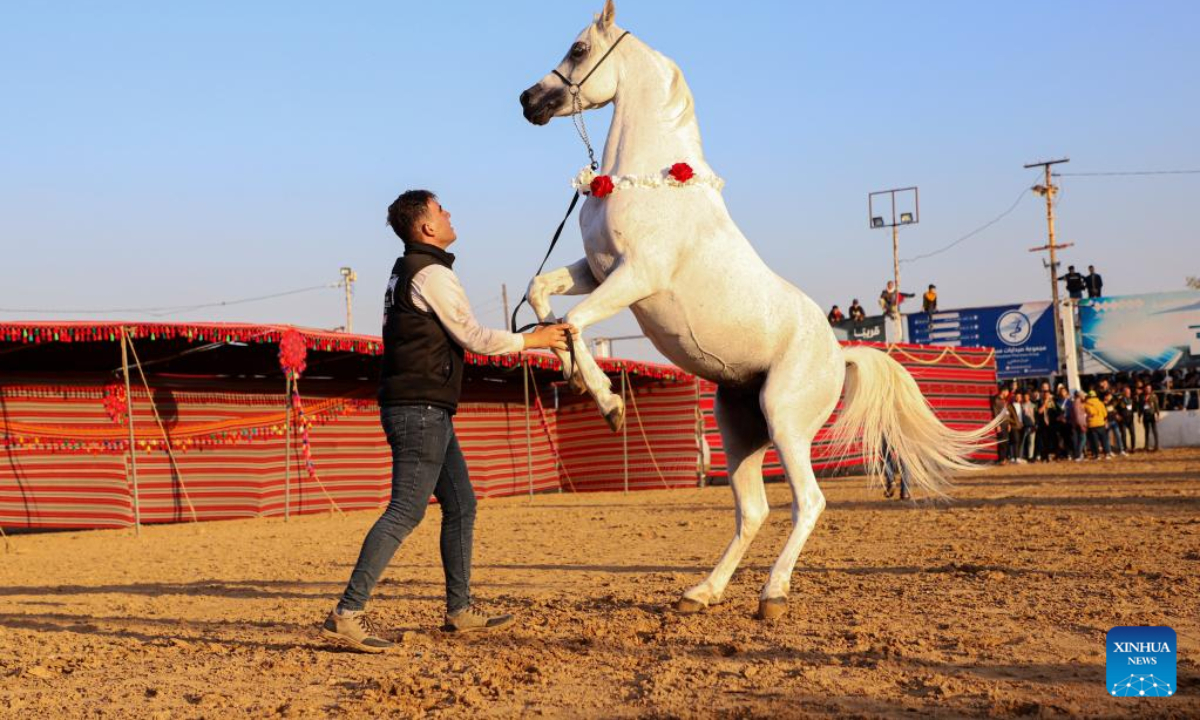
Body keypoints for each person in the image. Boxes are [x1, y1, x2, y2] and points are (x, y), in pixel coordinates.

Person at [321, 190, 575, 653]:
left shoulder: (407, 270)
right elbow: (474, 337)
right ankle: (347, 612)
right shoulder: (432, 273)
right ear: (426, 228)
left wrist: (528, 339)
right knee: (406, 510)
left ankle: (460, 610)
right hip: (420, 409)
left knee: (462, 504)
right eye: (441, 210)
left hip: (425, 407)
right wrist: (535, 340)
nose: (450, 214)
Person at [1083, 390, 1112, 459]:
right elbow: (1105, 413)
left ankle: (1097, 455)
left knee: (1094, 440)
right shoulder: (1100, 403)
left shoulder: (1085, 404)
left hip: (1091, 424)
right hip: (1101, 423)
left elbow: (1085, 415)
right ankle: (1107, 454)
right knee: (1103, 439)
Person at [991, 386, 1011, 465]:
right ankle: (1001, 459)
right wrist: (997, 425)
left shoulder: (1004, 401)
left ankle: (1003, 458)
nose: (1007, 393)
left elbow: (1006, 413)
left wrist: (1009, 423)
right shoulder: (997, 400)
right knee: (1002, 442)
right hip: (1001, 424)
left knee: (1005, 441)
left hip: (1006, 423)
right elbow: (996, 413)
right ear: (1003, 391)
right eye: (1007, 391)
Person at [1102, 391, 1127, 456]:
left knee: (1118, 435)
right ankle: (1109, 451)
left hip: (1114, 421)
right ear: (1106, 396)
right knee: (1107, 437)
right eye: (1109, 396)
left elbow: (1114, 410)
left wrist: (1117, 415)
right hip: (1107, 422)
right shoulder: (1102, 404)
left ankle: (1121, 450)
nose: (1111, 397)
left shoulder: (1112, 402)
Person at [1139, 386, 1161, 452]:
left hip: (1151, 415)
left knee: (1154, 431)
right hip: (1145, 415)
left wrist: (1158, 414)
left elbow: (1156, 406)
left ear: (1151, 389)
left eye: (1149, 388)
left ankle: (1156, 446)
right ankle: (1146, 446)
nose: (1147, 390)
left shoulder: (1154, 396)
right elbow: (1140, 407)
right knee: (1147, 431)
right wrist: (1139, 416)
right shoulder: (1142, 396)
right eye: (1146, 389)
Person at [1117, 386, 1137, 452]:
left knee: (1133, 433)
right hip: (1122, 420)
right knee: (1124, 434)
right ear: (1123, 392)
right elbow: (1115, 408)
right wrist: (1117, 415)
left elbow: (1135, 407)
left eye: (1129, 392)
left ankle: (1133, 447)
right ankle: (1125, 448)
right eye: (1127, 392)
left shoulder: (1132, 399)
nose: (1128, 393)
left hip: (1130, 419)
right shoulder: (1120, 400)